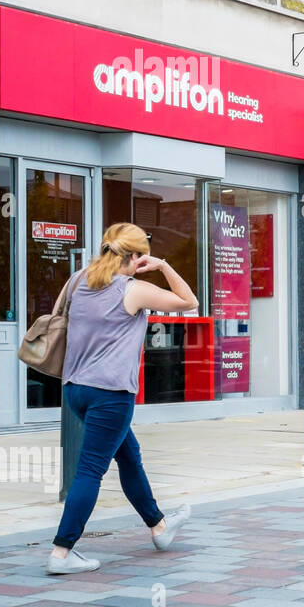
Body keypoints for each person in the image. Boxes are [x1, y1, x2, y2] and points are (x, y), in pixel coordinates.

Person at [47, 224, 197, 575]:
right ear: (135, 256)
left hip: (75, 390)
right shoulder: (133, 290)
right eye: (142, 255)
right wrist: (162, 266)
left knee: (129, 455)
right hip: (110, 394)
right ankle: (61, 551)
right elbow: (189, 301)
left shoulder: (78, 280)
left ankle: (159, 527)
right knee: (90, 470)